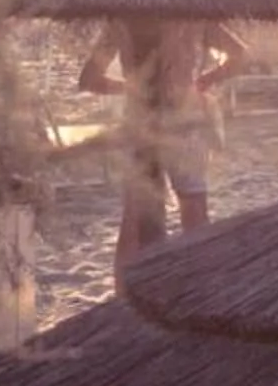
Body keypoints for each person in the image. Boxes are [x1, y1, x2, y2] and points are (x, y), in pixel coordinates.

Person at [80, 19, 246, 280]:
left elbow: (89, 79)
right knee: (193, 211)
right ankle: (197, 291)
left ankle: (125, 301)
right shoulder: (193, 17)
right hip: (184, 120)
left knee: (134, 216)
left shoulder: (121, 21)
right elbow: (240, 55)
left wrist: (130, 87)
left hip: (140, 119)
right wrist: (203, 81)